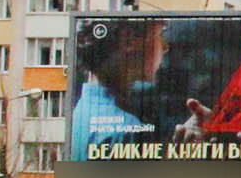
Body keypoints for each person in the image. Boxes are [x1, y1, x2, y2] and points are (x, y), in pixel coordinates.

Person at [71, 19, 170, 154]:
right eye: (160, 34)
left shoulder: (82, 112)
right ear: (128, 40)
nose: (165, 47)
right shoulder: (127, 131)